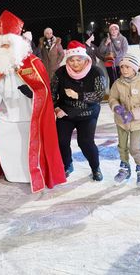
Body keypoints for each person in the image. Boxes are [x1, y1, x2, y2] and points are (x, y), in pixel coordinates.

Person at [0, 10, 66, 193]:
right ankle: (11, 174)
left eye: (8, 44)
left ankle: (29, 175)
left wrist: (33, 93)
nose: (5, 48)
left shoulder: (34, 63)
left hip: (27, 118)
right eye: (2, 44)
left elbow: (44, 91)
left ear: (17, 44)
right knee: (4, 146)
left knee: (25, 151)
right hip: (5, 117)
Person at [51, 41, 106, 180]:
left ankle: (95, 167)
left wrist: (79, 95)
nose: (75, 63)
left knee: (85, 143)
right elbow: (52, 93)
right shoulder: (60, 72)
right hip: (65, 112)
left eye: (78, 60)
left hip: (87, 113)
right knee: (62, 141)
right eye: (72, 60)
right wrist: (56, 108)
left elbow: (100, 94)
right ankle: (67, 164)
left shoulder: (96, 72)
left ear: (85, 59)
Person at [108, 54, 140, 189]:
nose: (124, 70)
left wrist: (133, 114)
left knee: (134, 148)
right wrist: (116, 107)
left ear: (134, 68)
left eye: (127, 67)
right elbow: (112, 98)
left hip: (137, 122)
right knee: (122, 146)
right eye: (122, 67)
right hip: (121, 121)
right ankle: (125, 168)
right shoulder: (117, 83)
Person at [96, 23, 128, 89]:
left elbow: (124, 51)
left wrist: (115, 55)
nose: (114, 31)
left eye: (115, 29)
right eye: (112, 29)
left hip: (120, 63)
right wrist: (106, 43)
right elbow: (100, 51)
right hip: (109, 63)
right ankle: (113, 94)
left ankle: (122, 93)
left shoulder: (123, 39)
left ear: (118, 30)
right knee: (112, 79)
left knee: (121, 79)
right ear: (109, 31)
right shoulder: (105, 39)